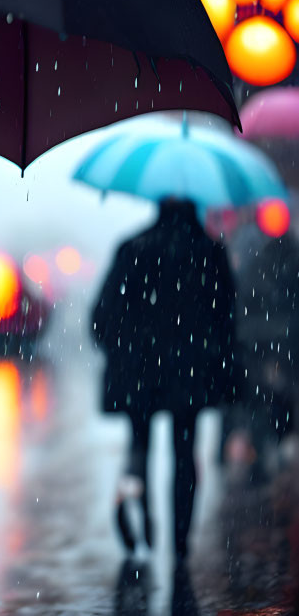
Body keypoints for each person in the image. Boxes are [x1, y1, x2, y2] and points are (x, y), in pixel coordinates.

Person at [92, 197, 237, 563]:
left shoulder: (133, 248)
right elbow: (228, 320)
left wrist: (123, 349)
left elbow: (101, 317)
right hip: (189, 373)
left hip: (140, 371)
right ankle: (180, 541)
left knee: (139, 445)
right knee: (185, 454)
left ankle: (132, 495)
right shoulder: (210, 252)